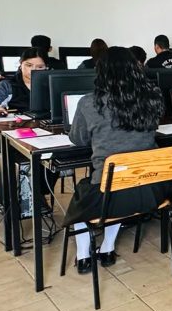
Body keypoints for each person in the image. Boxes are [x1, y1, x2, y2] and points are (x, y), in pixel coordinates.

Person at [64, 47, 164, 274]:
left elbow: (78, 139)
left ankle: (83, 256)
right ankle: (107, 249)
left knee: (83, 193)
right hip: (150, 191)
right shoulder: (152, 99)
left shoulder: (89, 103)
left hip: (108, 196)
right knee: (120, 179)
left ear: (101, 72)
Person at [0, 48, 48, 116]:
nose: (33, 70)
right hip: (17, 122)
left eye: (40, 67)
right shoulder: (7, 86)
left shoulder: (51, 85)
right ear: (20, 65)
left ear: (46, 68)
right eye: (29, 65)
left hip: (46, 122)